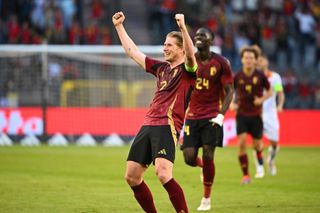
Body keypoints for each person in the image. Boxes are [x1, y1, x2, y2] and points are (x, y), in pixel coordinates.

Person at [112, 11, 197, 213]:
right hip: (148, 123)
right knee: (131, 176)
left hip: (167, 125)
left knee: (163, 173)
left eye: (169, 45)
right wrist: (119, 27)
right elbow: (132, 52)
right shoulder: (160, 68)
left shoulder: (188, 71)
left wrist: (183, 28)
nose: (164, 47)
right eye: (164, 44)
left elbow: (192, 55)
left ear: (181, 50)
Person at [181, 28, 234, 211]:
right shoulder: (190, 59)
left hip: (212, 115)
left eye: (203, 36)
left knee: (209, 154)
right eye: (196, 36)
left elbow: (229, 91)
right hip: (192, 115)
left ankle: (206, 199)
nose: (198, 38)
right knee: (188, 157)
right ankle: (204, 168)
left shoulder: (221, 63)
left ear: (211, 40)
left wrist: (221, 114)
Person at [230, 45, 272, 184]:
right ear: (242, 60)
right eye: (246, 57)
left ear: (255, 61)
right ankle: (246, 176)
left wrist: (261, 99)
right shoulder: (237, 76)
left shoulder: (260, 76)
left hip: (256, 115)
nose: (248, 60)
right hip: (241, 114)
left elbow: (270, 91)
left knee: (257, 145)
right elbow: (229, 92)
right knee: (241, 143)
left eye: (251, 58)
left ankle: (259, 152)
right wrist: (231, 104)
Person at [257, 54, 285, 176]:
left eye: (262, 60)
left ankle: (271, 160)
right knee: (257, 141)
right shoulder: (254, 77)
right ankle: (260, 167)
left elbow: (280, 93)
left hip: (271, 114)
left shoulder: (275, 77)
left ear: (266, 62)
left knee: (274, 143)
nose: (260, 62)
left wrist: (280, 105)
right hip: (257, 113)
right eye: (258, 61)